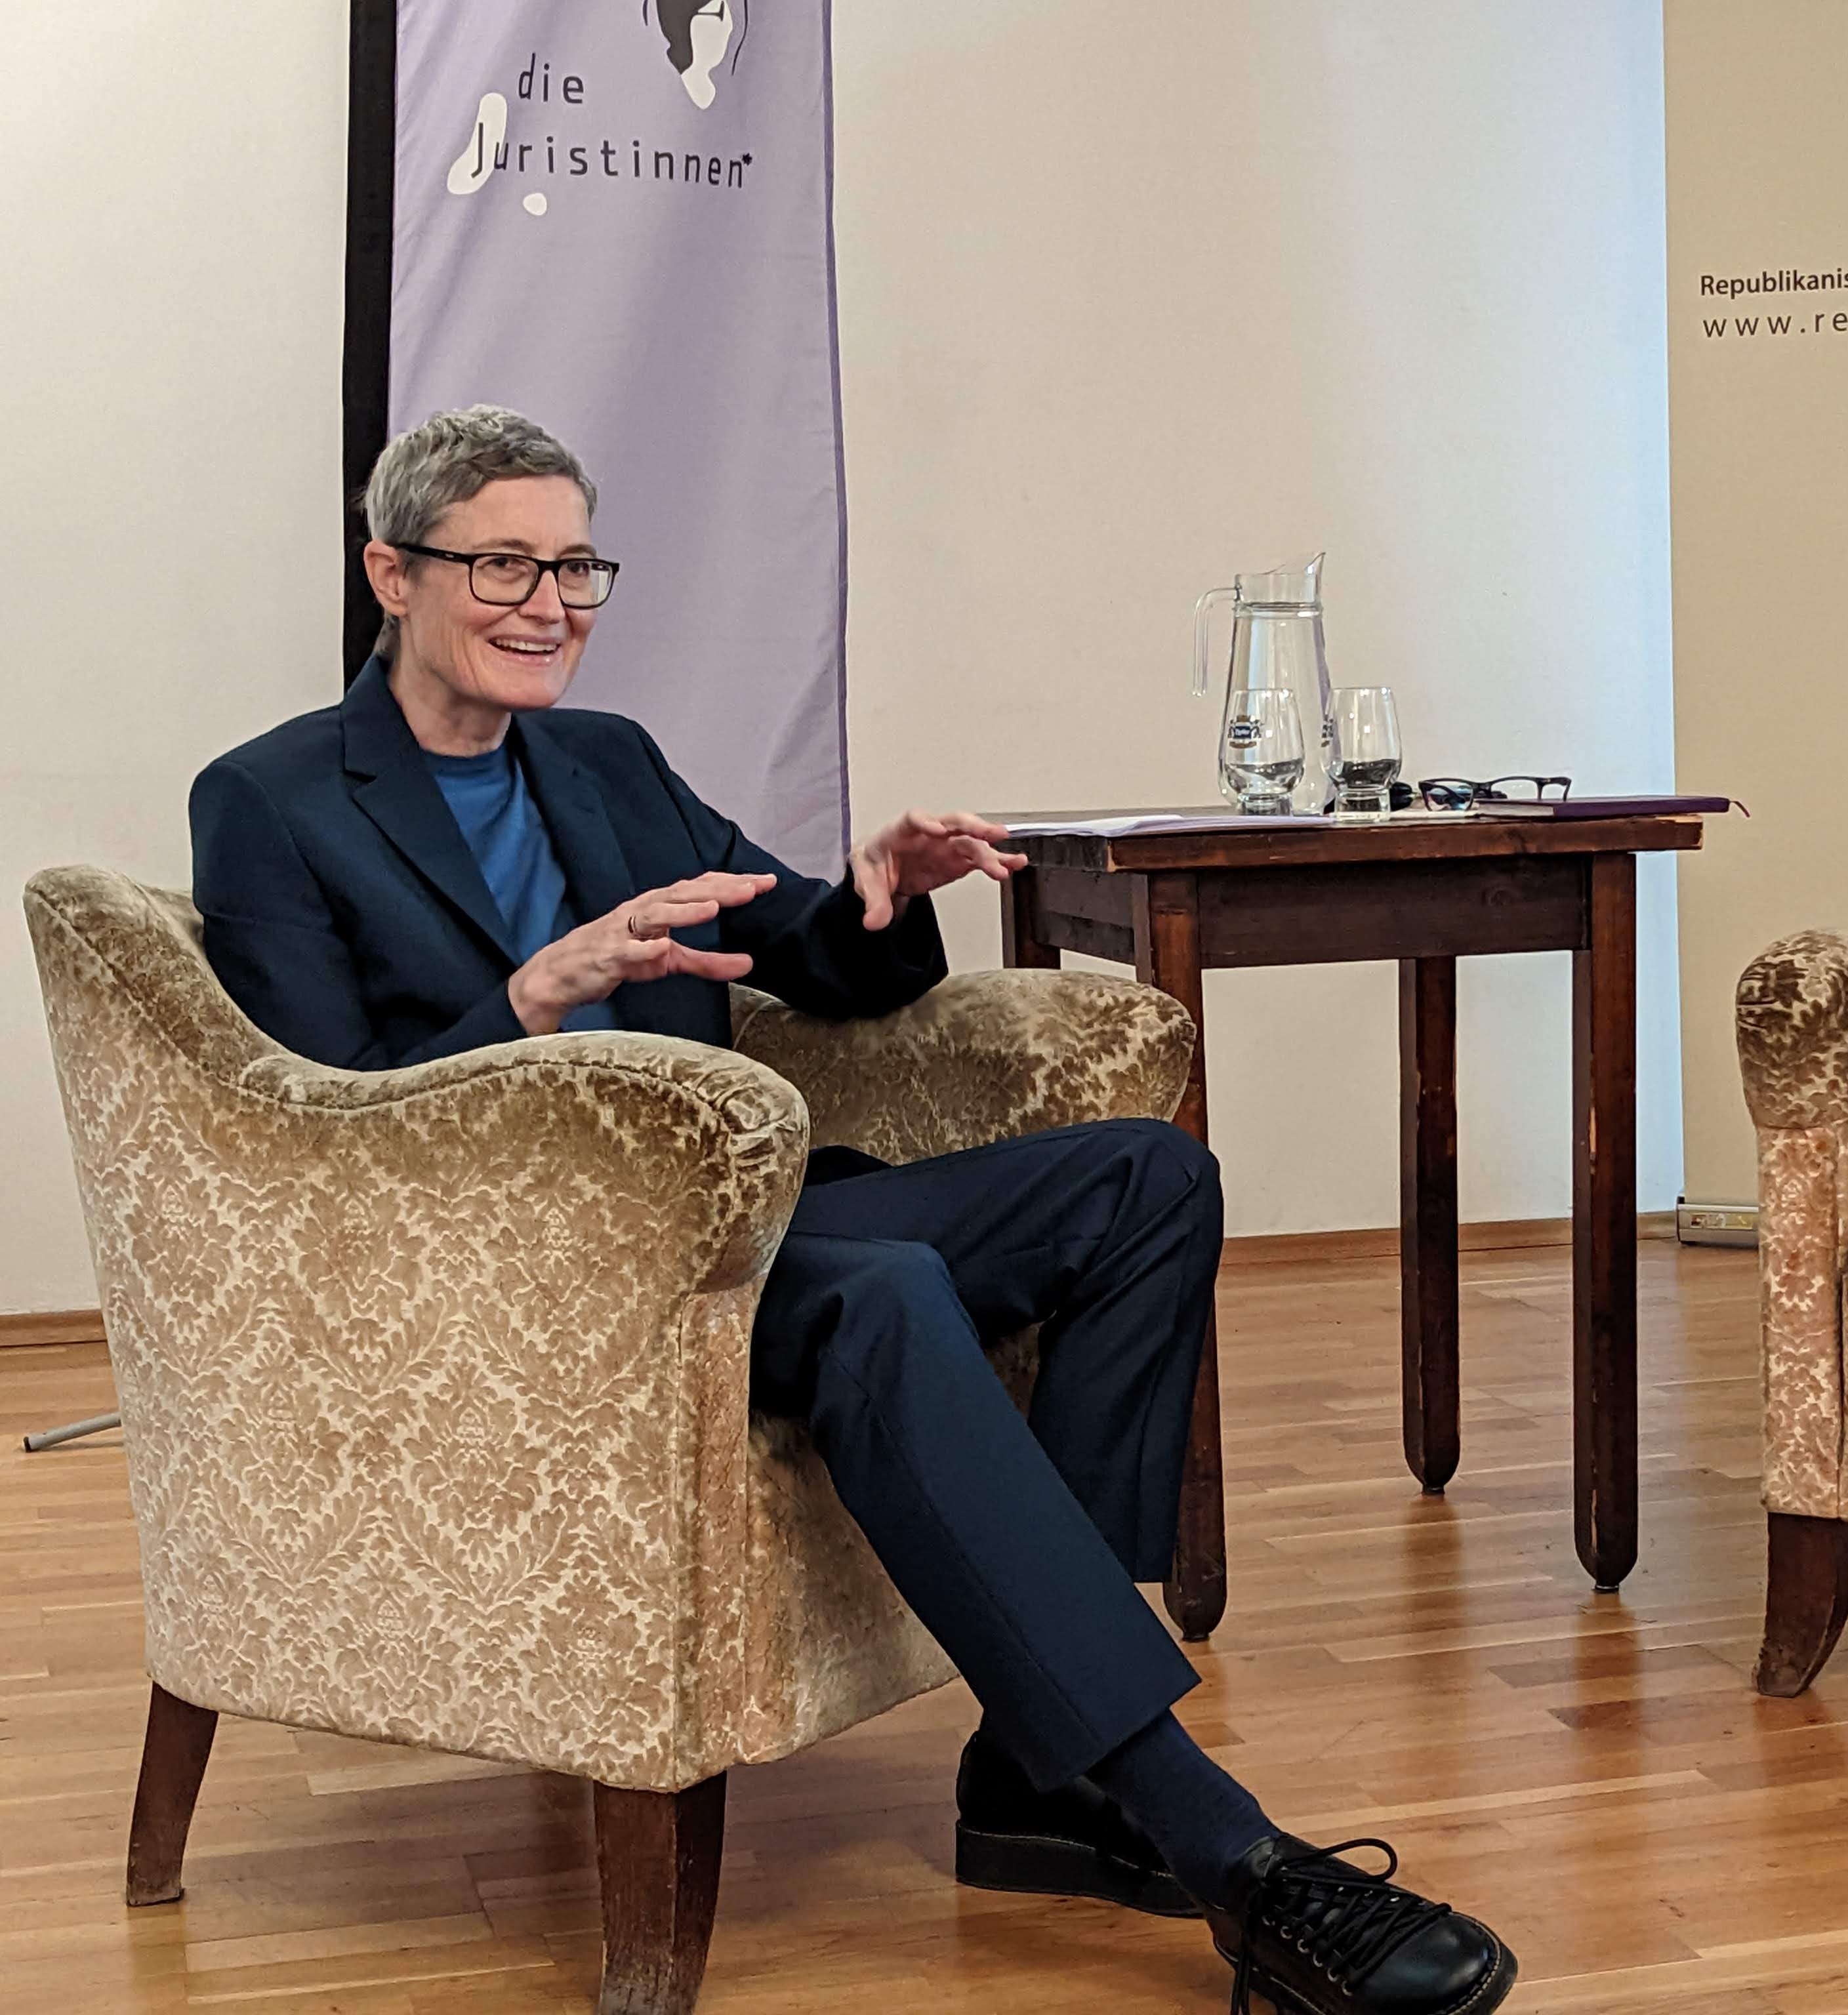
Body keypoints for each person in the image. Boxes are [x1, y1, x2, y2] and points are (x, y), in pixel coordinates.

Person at [190, 405, 1517, 2015]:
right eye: (507, 566)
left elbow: (800, 949)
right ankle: (1224, 1849)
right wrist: (535, 992)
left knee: (1146, 1179)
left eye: (578, 567)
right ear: (392, 574)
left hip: (746, 1215)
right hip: (541, 1271)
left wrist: (884, 896)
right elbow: (336, 1131)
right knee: (883, 1287)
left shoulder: (603, 760)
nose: (554, 605)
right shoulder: (272, 801)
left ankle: (1042, 1778)